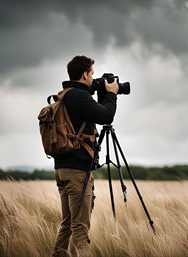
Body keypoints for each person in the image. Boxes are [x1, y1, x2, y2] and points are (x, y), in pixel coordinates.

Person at [52, 55, 118, 257]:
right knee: (80, 230)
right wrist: (112, 94)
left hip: (62, 169)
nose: (93, 78)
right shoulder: (79, 97)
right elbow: (106, 115)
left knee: (67, 225)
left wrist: (100, 91)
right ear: (84, 74)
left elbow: (93, 113)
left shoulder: (65, 94)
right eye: (92, 74)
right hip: (77, 172)